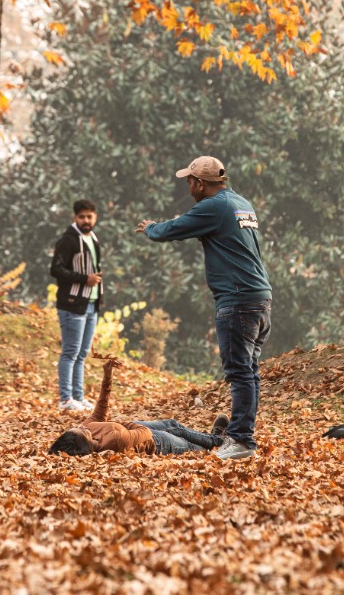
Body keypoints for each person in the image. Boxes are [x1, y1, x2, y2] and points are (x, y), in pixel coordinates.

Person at [135, 156, 270, 461]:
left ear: (200, 183)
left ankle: (241, 440)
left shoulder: (214, 206)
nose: (188, 187)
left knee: (240, 372)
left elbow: (177, 227)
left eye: (189, 181)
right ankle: (240, 435)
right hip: (259, 298)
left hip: (237, 300)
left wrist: (152, 228)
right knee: (249, 371)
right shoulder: (241, 202)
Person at [48, 358, 228, 456]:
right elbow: (145, 433)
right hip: (156, 443)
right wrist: (126, 426)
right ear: (87, 443)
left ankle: (216, 440)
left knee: (174, 425)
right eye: (83, 431)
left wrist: (107, 376)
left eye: (78, 427)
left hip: (132, 429)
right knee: (191, 447)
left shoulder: (87, 428)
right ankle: (218, 447)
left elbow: (100, 410)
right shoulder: (114, 441)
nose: (83, 426)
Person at [50, 198, 103, 411]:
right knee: (70, 352)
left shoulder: (93, 238)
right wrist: (84, 279)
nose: (86, 220)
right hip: (72, 304)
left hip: (91, 303)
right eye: (81, 217)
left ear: (95, 217)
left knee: (82, 353)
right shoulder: (68, 240)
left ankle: (78, 397)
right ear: (75, 218)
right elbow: (56, 270)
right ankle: (65, 399)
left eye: (89, 216)